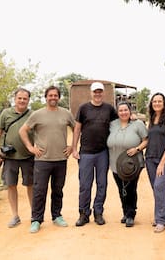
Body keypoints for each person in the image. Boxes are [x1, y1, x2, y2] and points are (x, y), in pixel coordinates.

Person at [18, 85, 75, 233]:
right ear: (46, 97)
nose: (53, 98)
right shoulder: (37, 115)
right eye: (50, 95)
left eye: (55, 95)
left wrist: (73, 146)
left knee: (58, 190)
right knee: (39, 190)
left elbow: (77, 129)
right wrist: (31, 148)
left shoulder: (66, 114)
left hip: (61, 158)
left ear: (59, 97)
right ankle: (36, 220)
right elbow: (23, 130)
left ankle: (57, 216)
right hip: (42, 160)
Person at [71, 81, 118, 226]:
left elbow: (118, 124)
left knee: (102, 183)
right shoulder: (83, 108)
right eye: (95, 92)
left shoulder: (109, 109)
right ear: (91, 93)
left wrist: (132, 118)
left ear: (103, 93)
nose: (97, 94)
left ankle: (98, 212)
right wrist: (74, 148)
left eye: (100, 91)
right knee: (85, 185)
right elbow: (77, 129)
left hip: (103, 153)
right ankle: (84, 214)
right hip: (86, 153)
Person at [0, 87, 34, 228]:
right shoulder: (6, 113)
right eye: (19, 98)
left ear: (28, 100)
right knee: (11, 185)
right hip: (10, 157)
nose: (22, 101)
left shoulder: (33, 115)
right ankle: (15, 216)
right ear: (15, 99)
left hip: (29, 156)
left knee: (31, 185)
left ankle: (35, 215)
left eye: (25, 98)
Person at [106, 101, 148, 228]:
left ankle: (130, 214)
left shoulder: (138, 124)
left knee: (130, 188)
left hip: (133, 163)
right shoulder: (112, 124)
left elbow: (146, 140)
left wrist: (138, 149)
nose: (123, 112)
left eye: (126, 110)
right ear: (117, 112)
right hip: (115, 163)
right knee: (121, 189)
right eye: (121, 110)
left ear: (130, 111)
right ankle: (125, 211)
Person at [145, 92, 165, 233]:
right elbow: (148, 139)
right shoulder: (151, 119)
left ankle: (161, 220)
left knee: (159, 185)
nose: (157, 103)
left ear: (164, 103)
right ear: (151, 104)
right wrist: (137, 148)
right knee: (156, 188)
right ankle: (160, 215)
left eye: (159, 101)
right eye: (154, 101)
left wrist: (162, 163)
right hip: (151, 157)